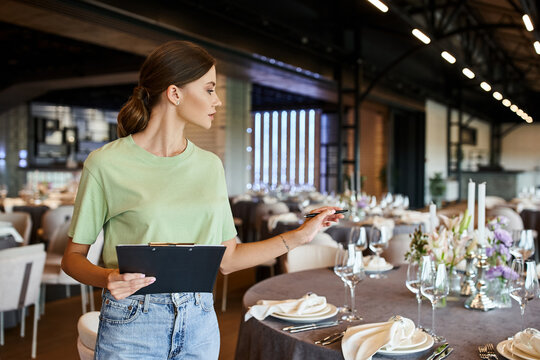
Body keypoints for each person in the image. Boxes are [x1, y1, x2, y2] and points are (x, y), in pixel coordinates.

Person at [61, 40, 343, 360]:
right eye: (209, 89)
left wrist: (303, 234)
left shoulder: (210, 166)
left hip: (200, 322)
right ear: (175, 93)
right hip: (132, 323)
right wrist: (108, 277)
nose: (218, 100)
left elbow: (229, 260)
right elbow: (72, 258)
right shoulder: (105, 164)